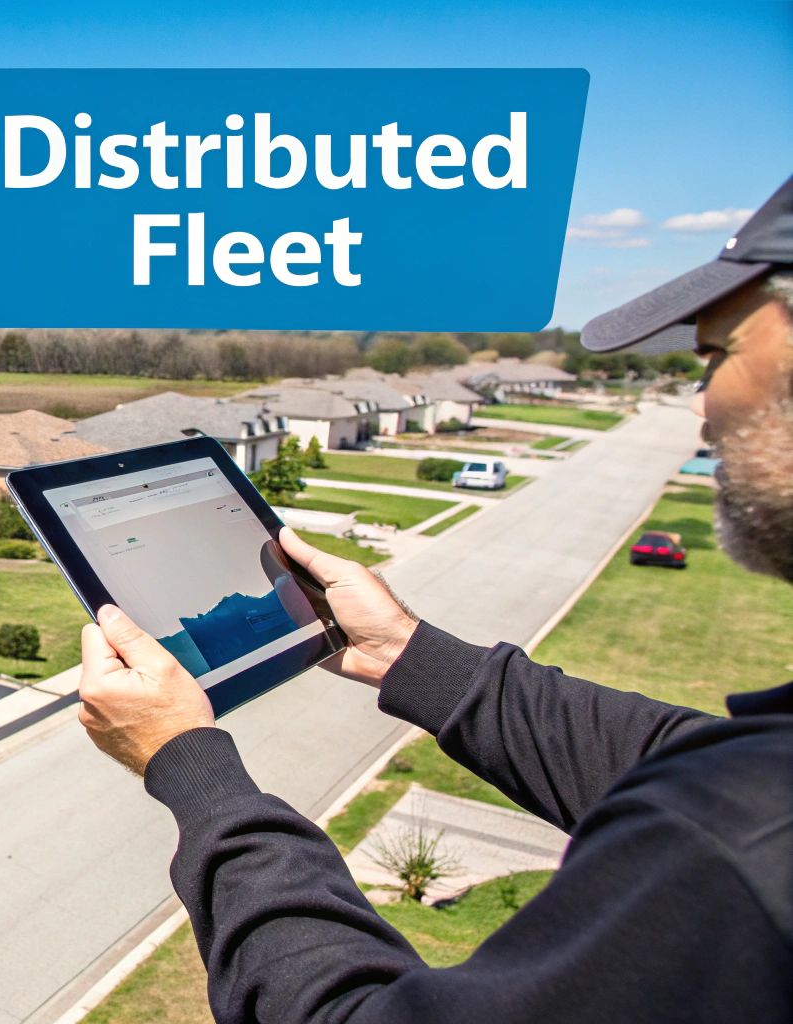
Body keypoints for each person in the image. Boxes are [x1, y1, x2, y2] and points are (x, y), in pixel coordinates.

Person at [76, 174, 793, 1022]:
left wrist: (188, 763)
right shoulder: (752, 794)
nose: (702, 405)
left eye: (718, 354)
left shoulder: (741, 852)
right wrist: (410, 654)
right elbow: (687, 758)